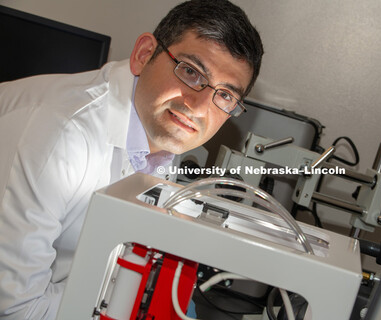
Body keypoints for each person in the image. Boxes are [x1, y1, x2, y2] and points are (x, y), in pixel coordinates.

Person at [0, 0, 263, 319]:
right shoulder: (61, 133)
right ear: (143, 55)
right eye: (191, 72)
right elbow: (14, 309)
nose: (198, 106)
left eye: (224, 95)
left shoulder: (163, 137)